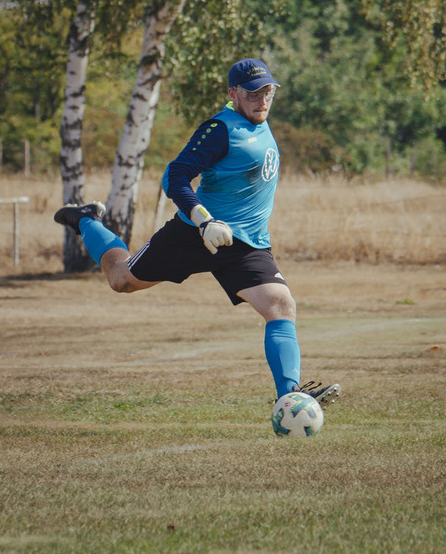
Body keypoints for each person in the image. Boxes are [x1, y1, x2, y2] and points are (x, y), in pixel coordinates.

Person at [54, 58, 341, 410]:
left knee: (280, 305)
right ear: (233, 94)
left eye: (268, 92)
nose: (262, 100)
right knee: (121, 280)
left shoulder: (259, 120)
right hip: (194, 234)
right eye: (253, 94)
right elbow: (174, 176)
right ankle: (87, 220)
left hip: (246, 244)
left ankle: (289, 399)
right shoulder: (219, 129)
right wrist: (203, 220)